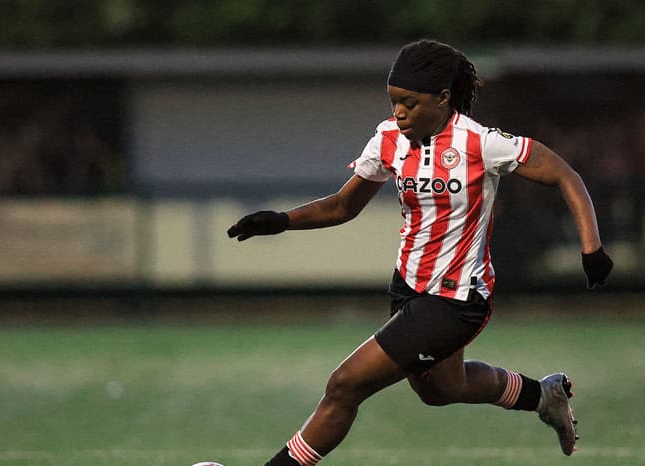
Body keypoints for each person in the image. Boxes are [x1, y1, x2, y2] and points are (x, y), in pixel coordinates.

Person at [227, 39, 614, 466]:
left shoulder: (479, 143)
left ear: (443, 98)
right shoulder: (389, 139)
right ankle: (543, 395)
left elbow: (565, 174)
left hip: (455, 300)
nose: (399, 112)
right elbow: (342, 206)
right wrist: (281, 220)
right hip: (408, 289)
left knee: (345, 384)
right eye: (394, 101)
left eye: (409, 102)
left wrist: (591, 248)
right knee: (441, 389)